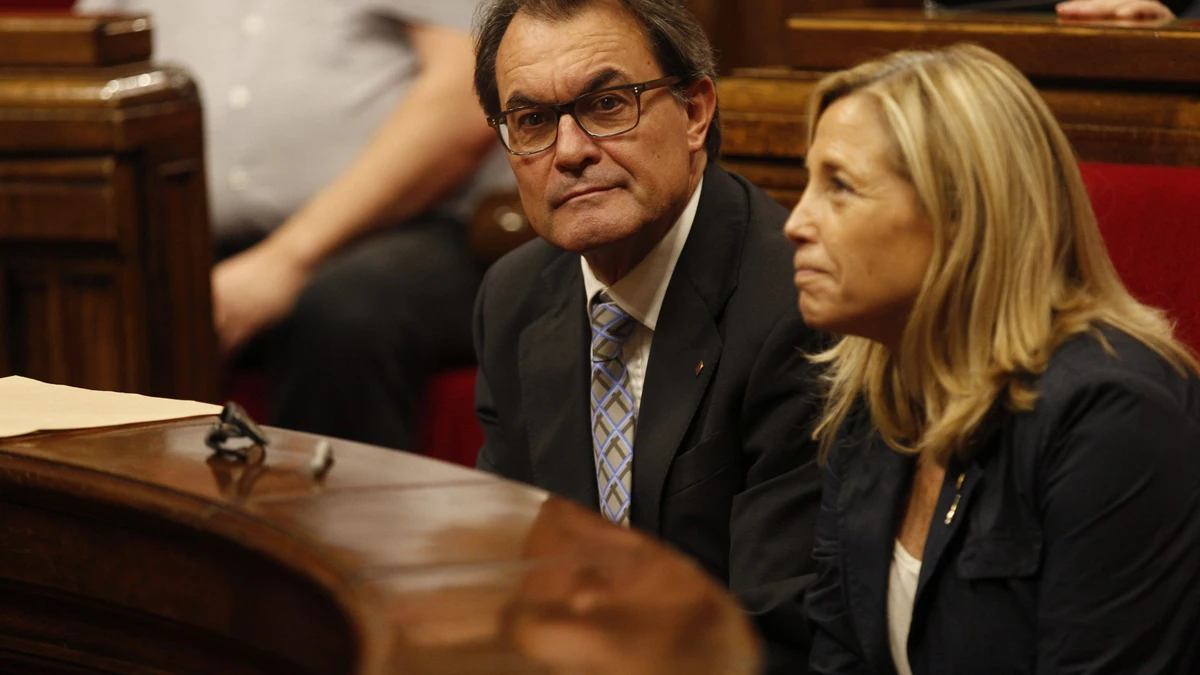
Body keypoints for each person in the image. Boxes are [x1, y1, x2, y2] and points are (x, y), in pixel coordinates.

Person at [787, 44, 1200, 674]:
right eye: (808, 182)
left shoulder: (1115, 416)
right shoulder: (879, 387)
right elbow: (837, 654)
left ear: (961, 215)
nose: (795, 222)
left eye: (839, 185)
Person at [470, 0, 823, 671]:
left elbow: (779, 627)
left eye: (607, 103)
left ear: (694, 112)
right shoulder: (513, 297)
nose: (570, 152)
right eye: (533, 121)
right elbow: (514, 572)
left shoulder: (792, 304)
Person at [74, 0, 514, 450]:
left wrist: (286, 259)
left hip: (421, 225)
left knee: (342, 311)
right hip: (186, 228)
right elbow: (81, 71)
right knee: (72, 294)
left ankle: (324, 518)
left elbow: (466, 90)